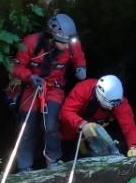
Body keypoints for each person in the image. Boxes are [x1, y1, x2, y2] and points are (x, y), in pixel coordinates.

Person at [11, 13, 87, 172]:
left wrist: (81, 68)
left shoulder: (73, 43)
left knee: (51, 123)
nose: (69, 47)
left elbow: (79, 58)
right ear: (54, 37)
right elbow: (16, 68)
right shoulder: (30, 43)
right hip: (32, 87)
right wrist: (31, 77)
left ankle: (53, 159)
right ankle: (25, 166)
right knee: (27, 125)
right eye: (65, 44)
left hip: (54, 87)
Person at [59, 75, 136, 158]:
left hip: (95, 136)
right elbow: (65, 112)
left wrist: (134, 146)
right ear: (100, 97)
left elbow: (129, 126)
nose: (111, 107)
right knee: (66, 149)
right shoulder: (84, 89)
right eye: (109, 104)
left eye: (114, 104)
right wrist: (82, 124)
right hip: (69, 131)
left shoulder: (118, 101)